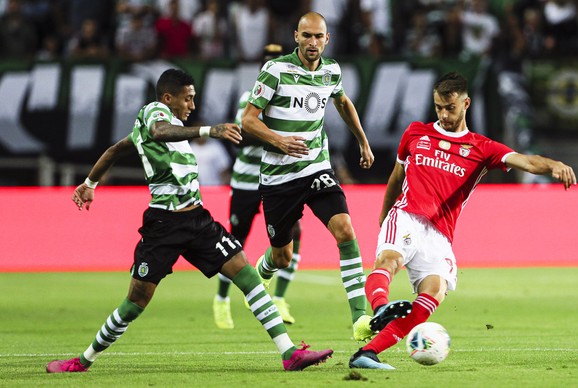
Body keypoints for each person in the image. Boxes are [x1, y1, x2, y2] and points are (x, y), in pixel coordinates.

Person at [45, 68, 333, 373]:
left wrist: (90, 183)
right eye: (188, 99)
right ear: (168, 98)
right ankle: (83, 360)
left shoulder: (165, 126)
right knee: (136, 301)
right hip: (164, 225)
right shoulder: (154, 113)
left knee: (246, 275)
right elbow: (158, 131)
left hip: (197, 220)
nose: (192, 106)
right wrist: (209, 130)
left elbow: (117, 149)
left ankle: (289, 353)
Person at [349, 71, 577, 370]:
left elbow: (527, 161)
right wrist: (384, 212)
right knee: (389, 261)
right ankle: (382, 308)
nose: (444, 114)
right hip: (406, 215)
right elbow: (397, 175)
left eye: (450, 108)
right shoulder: (416, 133)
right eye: (439, 107)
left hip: (440, 234)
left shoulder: (481, 148)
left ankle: (368, 353)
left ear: (466, 104)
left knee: (434, 291)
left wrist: (554, 165)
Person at [241, 12, 406, 342]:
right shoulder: (275, 70)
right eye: (307, 36)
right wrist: (279, 140)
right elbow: (248, 120)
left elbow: (343, 102)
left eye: (319, 36)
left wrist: (362, 140)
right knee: (282, 256)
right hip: (278, 177)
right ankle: (262, 272)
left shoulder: (332, 71)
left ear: (326, 39)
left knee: (345, 229)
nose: (313, 42)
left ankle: (360, 318)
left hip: (316, 167)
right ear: (296, 37)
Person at [213, 43, 303, 330]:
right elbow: (243, 135)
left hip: (279, 179)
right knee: (235, 242)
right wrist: (278, 137)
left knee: (294, 234)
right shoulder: (250, 97)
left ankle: (279, 298)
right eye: (267, 63)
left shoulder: (295, 97)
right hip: (247, 181)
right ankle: (222, 299)